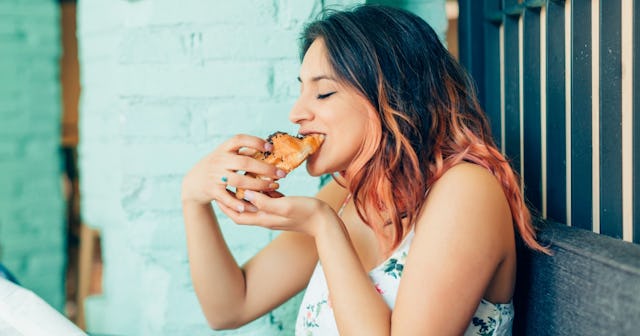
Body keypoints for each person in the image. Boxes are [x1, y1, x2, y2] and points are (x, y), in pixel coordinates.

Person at [182, 4, 547, 335]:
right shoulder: (347, 195)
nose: (296, 114)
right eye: (301, 91)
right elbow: (231, 306)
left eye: (323, 93)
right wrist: (193, 199)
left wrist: (324, 227)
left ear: (390, 95)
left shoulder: (466, 191)